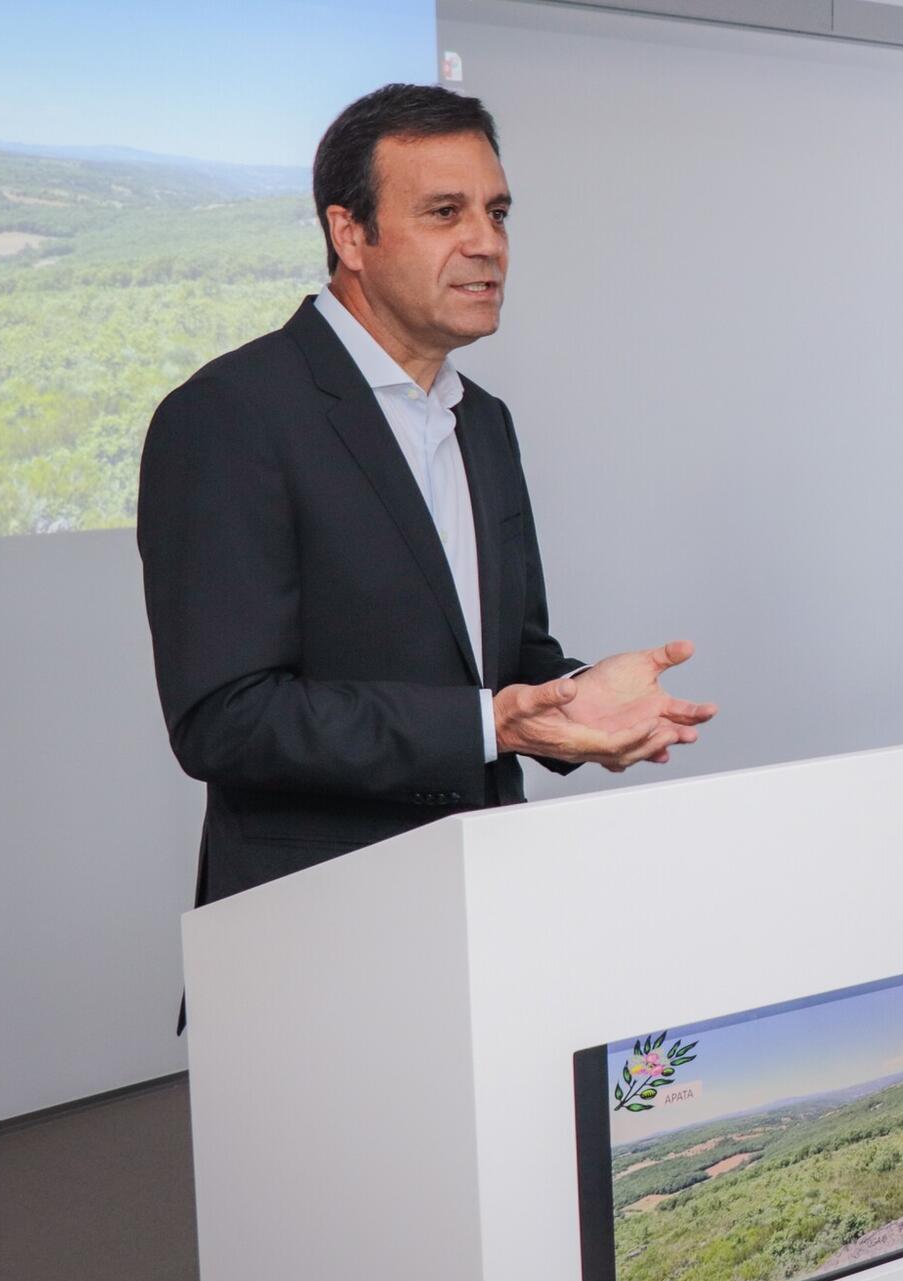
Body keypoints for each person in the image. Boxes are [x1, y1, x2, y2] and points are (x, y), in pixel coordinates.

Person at [137, 84, 716, 933]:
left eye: (499, 212)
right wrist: (493, 722)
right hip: (317, 930)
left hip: (487, 910)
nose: (487, 244)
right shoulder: (229, 415)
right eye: (446, 212)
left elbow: (509, 661)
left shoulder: (484, 422)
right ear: (350, 235)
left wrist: (580, 698)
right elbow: (227, 721)